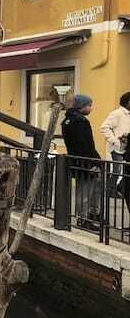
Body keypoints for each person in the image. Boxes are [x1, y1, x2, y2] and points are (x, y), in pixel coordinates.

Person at [61, 93, 102, 230]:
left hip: (81, 160)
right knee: (84, 191)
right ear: (82, 106)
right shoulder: (79, 122)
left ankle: (91, 214)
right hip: (84, 162)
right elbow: (84, 145)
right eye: (89, 105)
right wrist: (91, 164)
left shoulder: (69, 120)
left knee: (90, 189)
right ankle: (83, 219)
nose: (91, 108)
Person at [99, 91, 130, 196]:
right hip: (117, 147)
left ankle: (119, 187)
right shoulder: (117, 113)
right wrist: (114, 140)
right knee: (117, 169)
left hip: (127, 147)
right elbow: (104, 127)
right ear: (128, 102)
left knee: (124, 169)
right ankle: (111, 190)